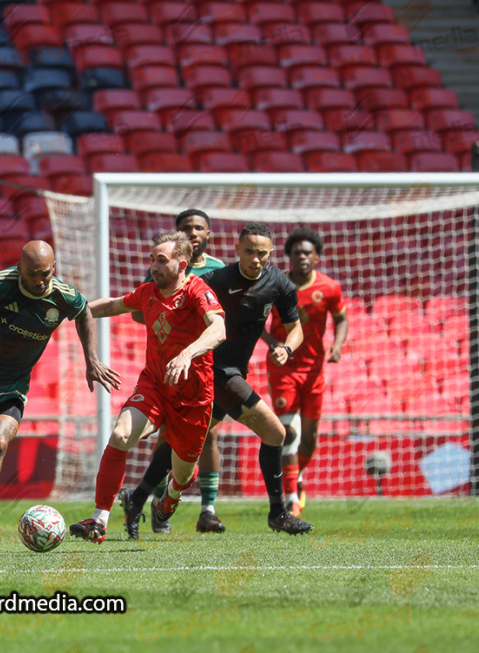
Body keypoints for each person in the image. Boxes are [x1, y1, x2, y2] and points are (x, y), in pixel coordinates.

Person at [0, 241, 121, 552]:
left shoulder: (63, 295)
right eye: (33, 274)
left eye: (45, 274)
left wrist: (91, 359)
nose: (40, 281)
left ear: (52, 269)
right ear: (20, 269)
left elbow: (84, 311)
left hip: (10, 383)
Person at [119, 223, 314, 536]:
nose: (256, 258)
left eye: (262, 253)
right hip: (214, 370)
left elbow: (296, 328)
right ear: (236, 250)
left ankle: (137, 498)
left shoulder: (279, 282)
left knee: (180, 441)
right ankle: (279, 513)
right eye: (249, 251)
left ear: (270, 254)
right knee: (275, 432)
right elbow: (177, 302)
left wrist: (287, 348)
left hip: (234, 371)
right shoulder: (215, 280)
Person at [69, 231, 226, 544]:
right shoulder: (148, 292)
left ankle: (169, 497)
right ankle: (99, 521)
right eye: (152, 259)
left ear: (183, 264)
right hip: (154, 385)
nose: (154, 266)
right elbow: (113, 305)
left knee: (182, 476)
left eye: (161, 260)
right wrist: (72, 308)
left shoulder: (198, 291)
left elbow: (219, 328)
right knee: (120, 435)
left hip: (193, 397)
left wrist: (187, 353)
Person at [131, 209, 228, 534]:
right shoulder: (160, 270)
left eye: (199, 227)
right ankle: (160, 506)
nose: (194, 232)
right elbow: (138, 307)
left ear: (208, 235)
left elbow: (222, 320)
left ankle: (208, 508)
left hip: (209, 364)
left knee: (207, 434)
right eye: (187, 228)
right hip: (168, 368)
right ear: (179, 236)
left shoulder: (219, 271)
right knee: (164, 437)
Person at [264, 227, 348, 516]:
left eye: (307, 252)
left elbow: (341, 320)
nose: (302, 256)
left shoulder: (329, 288)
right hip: (282, 367)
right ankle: (290, 500)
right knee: (288, 431)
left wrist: (337, 346)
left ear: (317, 257)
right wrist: (271, 341)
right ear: (288, 256)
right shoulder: (274, 285)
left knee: (309, 438)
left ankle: (296, 476)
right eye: (296, 252)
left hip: (314, 371)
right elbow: (254, 322)